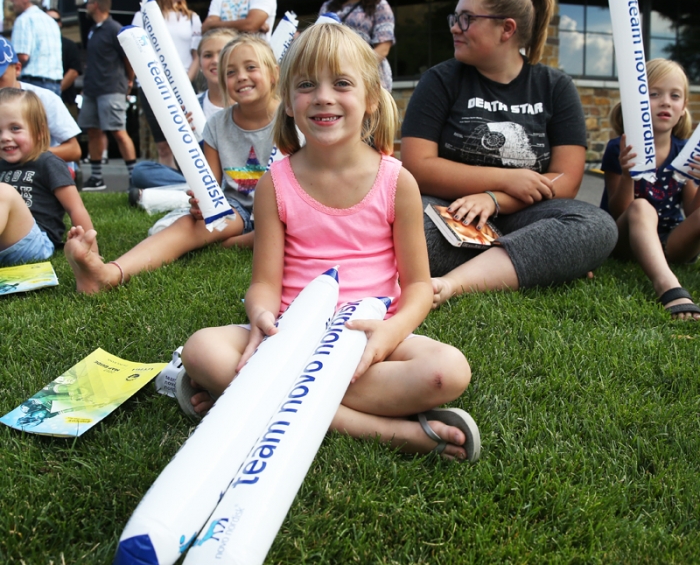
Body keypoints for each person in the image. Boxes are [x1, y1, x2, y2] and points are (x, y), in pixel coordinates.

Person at [177, 23, 479, 461]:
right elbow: (264, 282)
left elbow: (417, 287)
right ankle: (390, 432)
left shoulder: (398, 182)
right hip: (290, 338)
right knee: (201, 349)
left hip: (368, 342)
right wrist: (260, 312)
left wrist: (391, 332)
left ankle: (247, 401)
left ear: (371, 98)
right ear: (288, 104)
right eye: (305, 85)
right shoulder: (274, 185)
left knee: (448, 371)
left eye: (341, 83)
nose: (322, 96)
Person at [400, 0, 618, 307]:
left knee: (596, 225)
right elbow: (417, 166)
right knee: (409, 231)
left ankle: (455, 283)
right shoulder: (440, 81)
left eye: (467, 19)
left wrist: (495, 199)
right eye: (454, 18)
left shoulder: (555, 86)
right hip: (448, 210)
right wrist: (506, 178)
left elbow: (567, 180)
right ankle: (533, 260)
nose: (455, 28)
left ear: (507, 29)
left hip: (525, 212)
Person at [65, 35, 283, 292]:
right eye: (231, 72)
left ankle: (240, 241)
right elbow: (210, 187)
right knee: (188, 225)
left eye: (251, 67)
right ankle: (109, 274)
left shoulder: (291, 119)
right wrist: (203, 204)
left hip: (282, 210)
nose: (241, 77)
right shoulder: (216, 125)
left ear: (273, 73)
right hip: (236, 209)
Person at [601, 59, 700, 320]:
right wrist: (627, 174)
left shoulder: (683, 151)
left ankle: (664, 266)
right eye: (653, 94)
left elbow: (693, 213)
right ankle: (667, 285)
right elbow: (619, 209)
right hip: (624, 240)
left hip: (671, 244)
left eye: (674, 95)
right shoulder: (619, 147)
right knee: (642, 207)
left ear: (683, 108)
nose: (665, 101)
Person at [130, 28, 237, 191]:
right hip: (200, 177)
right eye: (208, 55)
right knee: (141, 172)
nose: (215, 60)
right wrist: (180, 134)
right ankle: (200, 192)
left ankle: (184, 194)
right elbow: (183, 161)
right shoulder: (189, 104)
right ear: (199, 63)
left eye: (222, 53)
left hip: (241, 175)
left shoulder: (247, 103)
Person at [0, 88, 93, 267]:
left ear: (39, 132)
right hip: (5, 244)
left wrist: (91, 251)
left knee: (4, 192)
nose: (5, 137)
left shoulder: (48, 162)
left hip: (36, 244)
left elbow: (76, 208)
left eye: (15, 128)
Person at [132, 0, 203, 170]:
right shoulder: (142, 16)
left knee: (188, 141)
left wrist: (184, 82)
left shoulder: (191, 18)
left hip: (184, 86)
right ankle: (169, 188)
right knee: (164, 146)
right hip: (153, 87)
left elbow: (196, 55)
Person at [79, 0, 137, 190]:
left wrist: (129, 81)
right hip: (93, 90)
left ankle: (134, 178)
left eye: (88, 2)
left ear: (95, 4)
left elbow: (128, 57)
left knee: (118, 132)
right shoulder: (94, 30)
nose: (86, 6)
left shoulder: (114, 28)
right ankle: (97, 179)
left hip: (112, 88)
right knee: (93, 131)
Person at [319, 0, 395, 92]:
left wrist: (354, 69)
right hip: (331, 75)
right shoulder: (328, 7)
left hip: (368, 75)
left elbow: (383, 49)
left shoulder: (379, 6)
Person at [0, 37, 81, 165]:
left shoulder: (44, 98)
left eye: (0, 78)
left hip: (41, 174)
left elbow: (73, 150)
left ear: (17, 69)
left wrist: (27, 154)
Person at [10, 0, 63, 96]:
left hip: (32, 84)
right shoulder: (51, 21)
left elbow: (22, 56)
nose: (11, 0)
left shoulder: (23, 19)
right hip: (55, 85)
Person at [46, 10, 82, 117]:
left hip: (64, 99)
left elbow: (73, 72)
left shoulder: (69, 45)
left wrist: (55, 91)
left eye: (55, 20)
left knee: (68, 133)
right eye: (48, 20)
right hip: (41, 100)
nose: (51, 23)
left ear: (60, 23)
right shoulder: (36, 46)